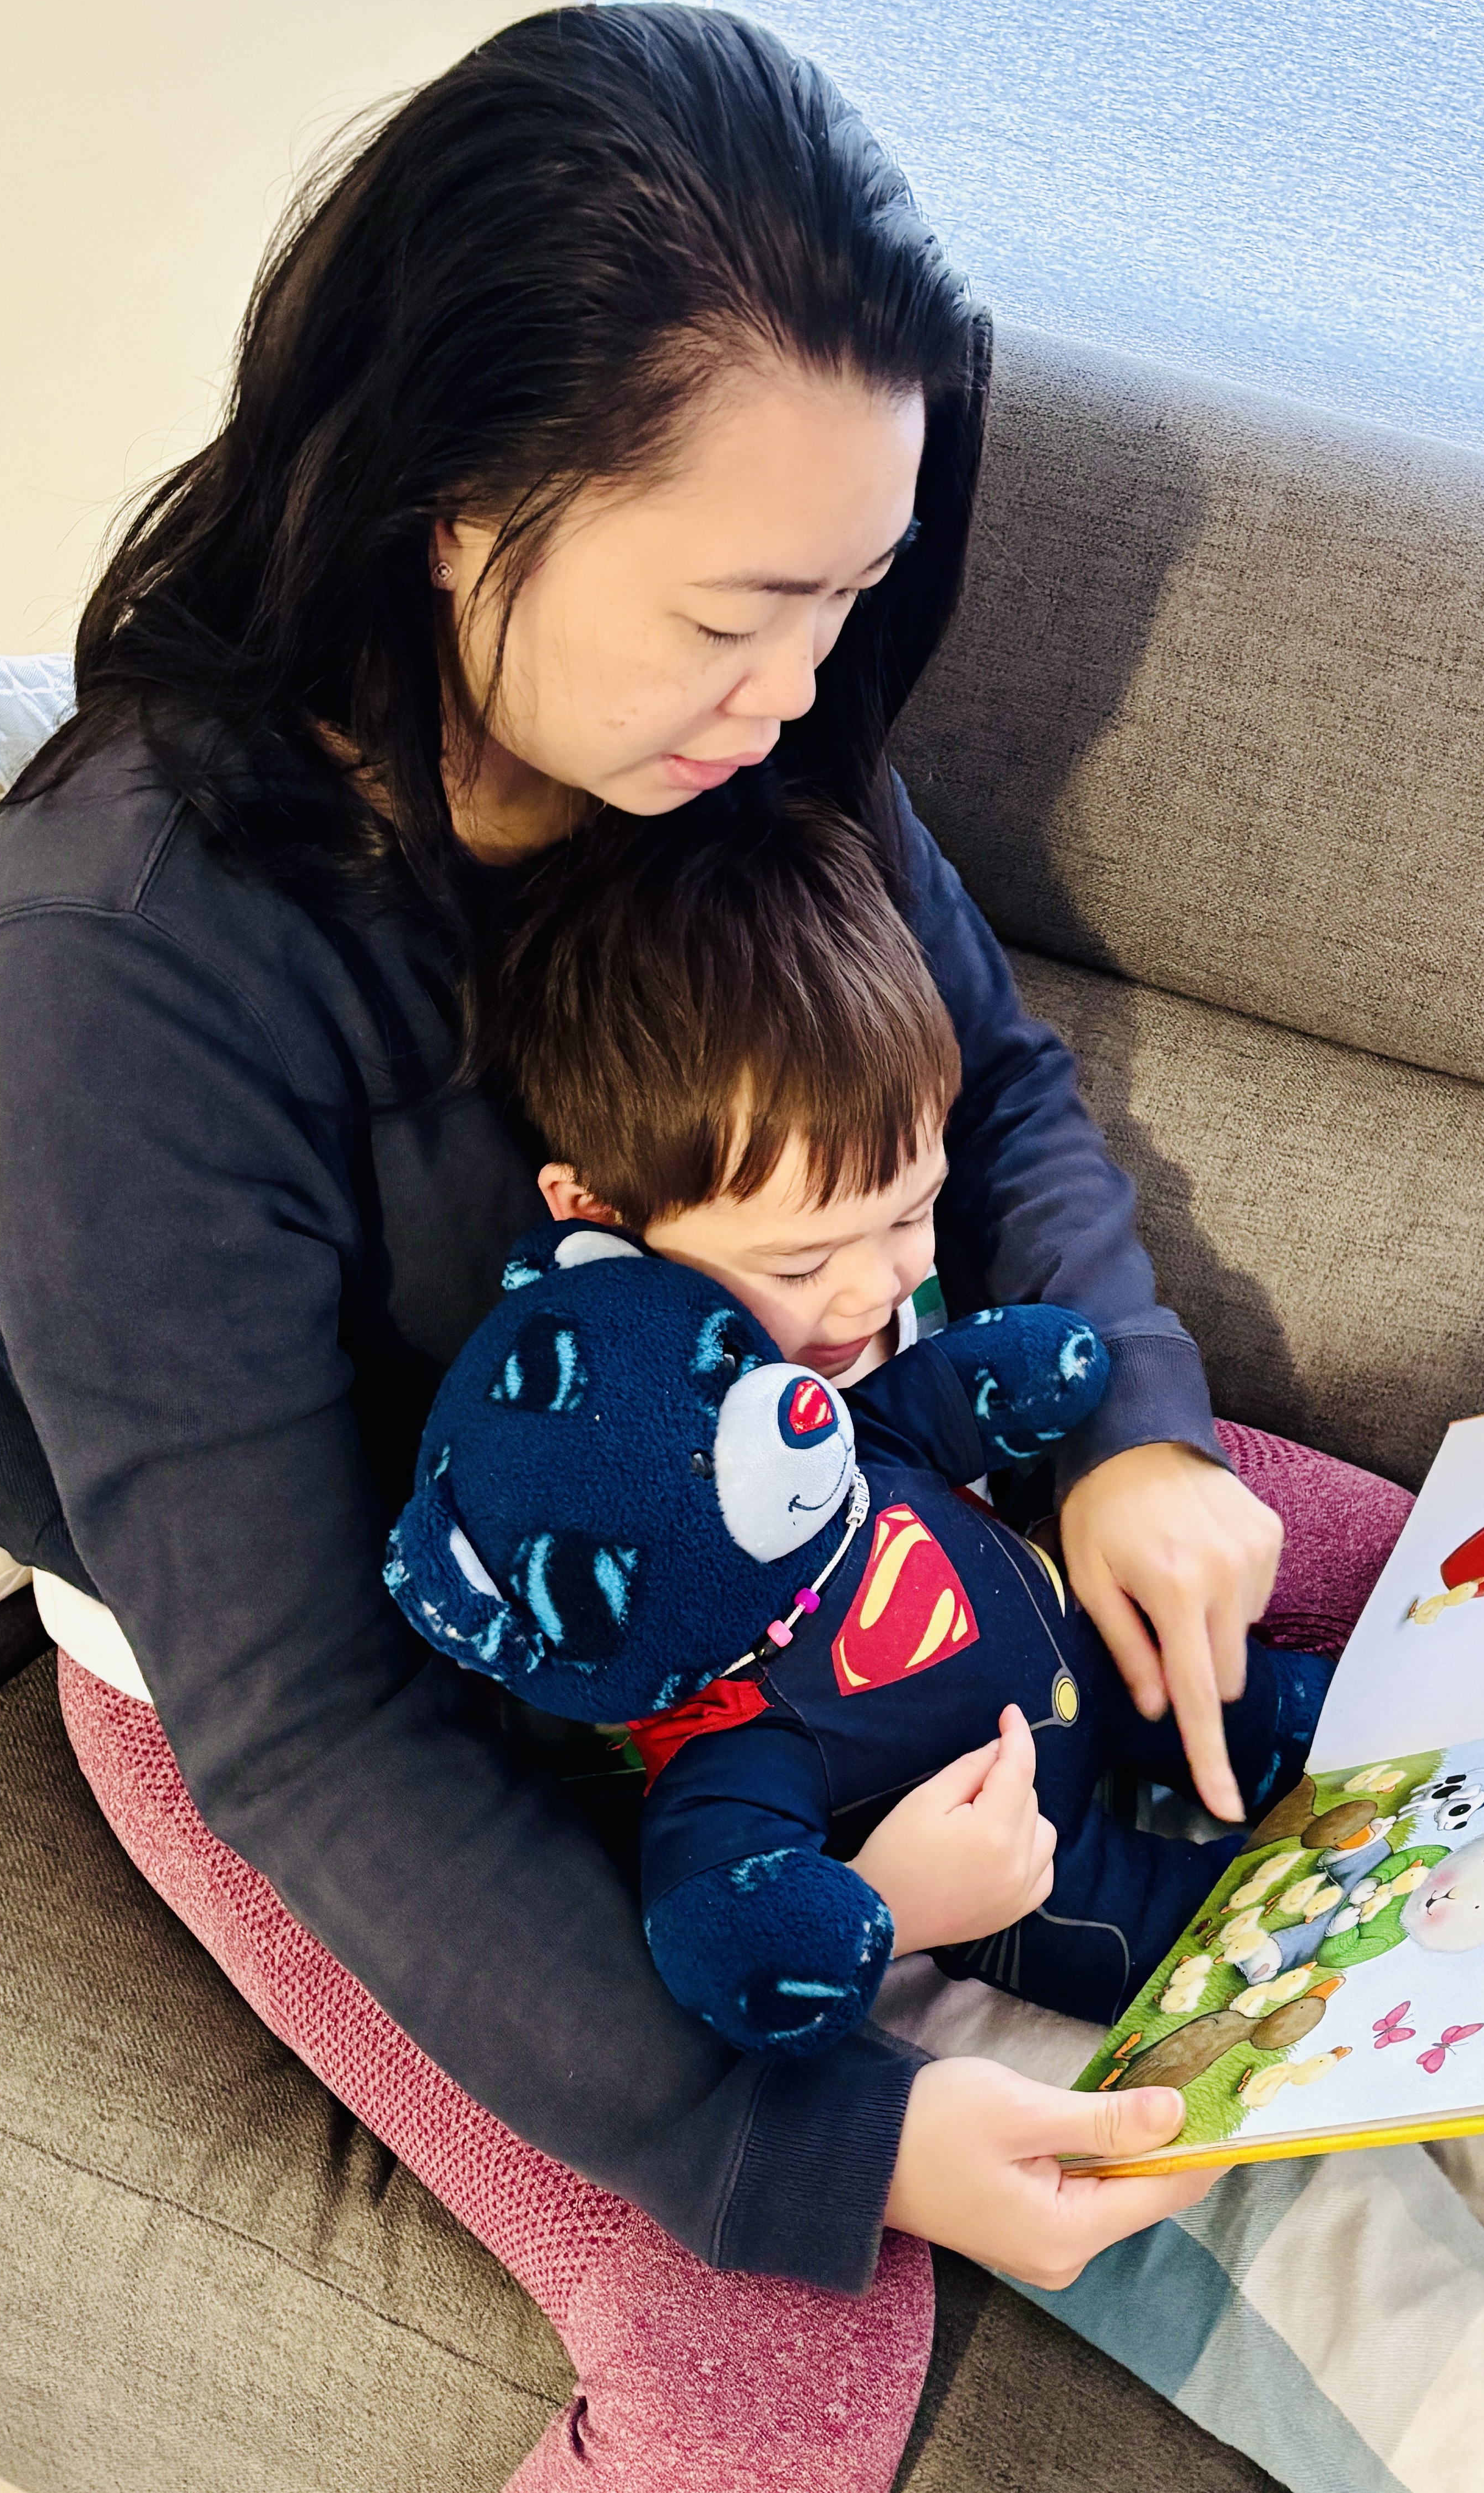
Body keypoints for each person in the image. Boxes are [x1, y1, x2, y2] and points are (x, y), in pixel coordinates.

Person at [0, 4, 1484, 2493]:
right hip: (433, 1671)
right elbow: (314, 1729)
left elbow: (1006, 1092)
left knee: (1407, 1610)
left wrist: (1152, 1452)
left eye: (849, 600)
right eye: (742, 610)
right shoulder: (136, 958)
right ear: (458, 503)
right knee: (778, 2359)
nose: (810, 694)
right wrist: (830, 2135)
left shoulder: (739, 751)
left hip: (848, 1475)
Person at [389, 787, 1335, 2051]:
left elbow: (988, 1373)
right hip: (953, 1853)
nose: (876, 1286)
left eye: (911, 1212)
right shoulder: (620, 1471)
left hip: (1084, 1648)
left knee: (1347, 1606)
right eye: (798, 1263)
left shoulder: (891, 1287)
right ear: (599, 1225)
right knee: (1221, 1977)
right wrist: (893, 1899)